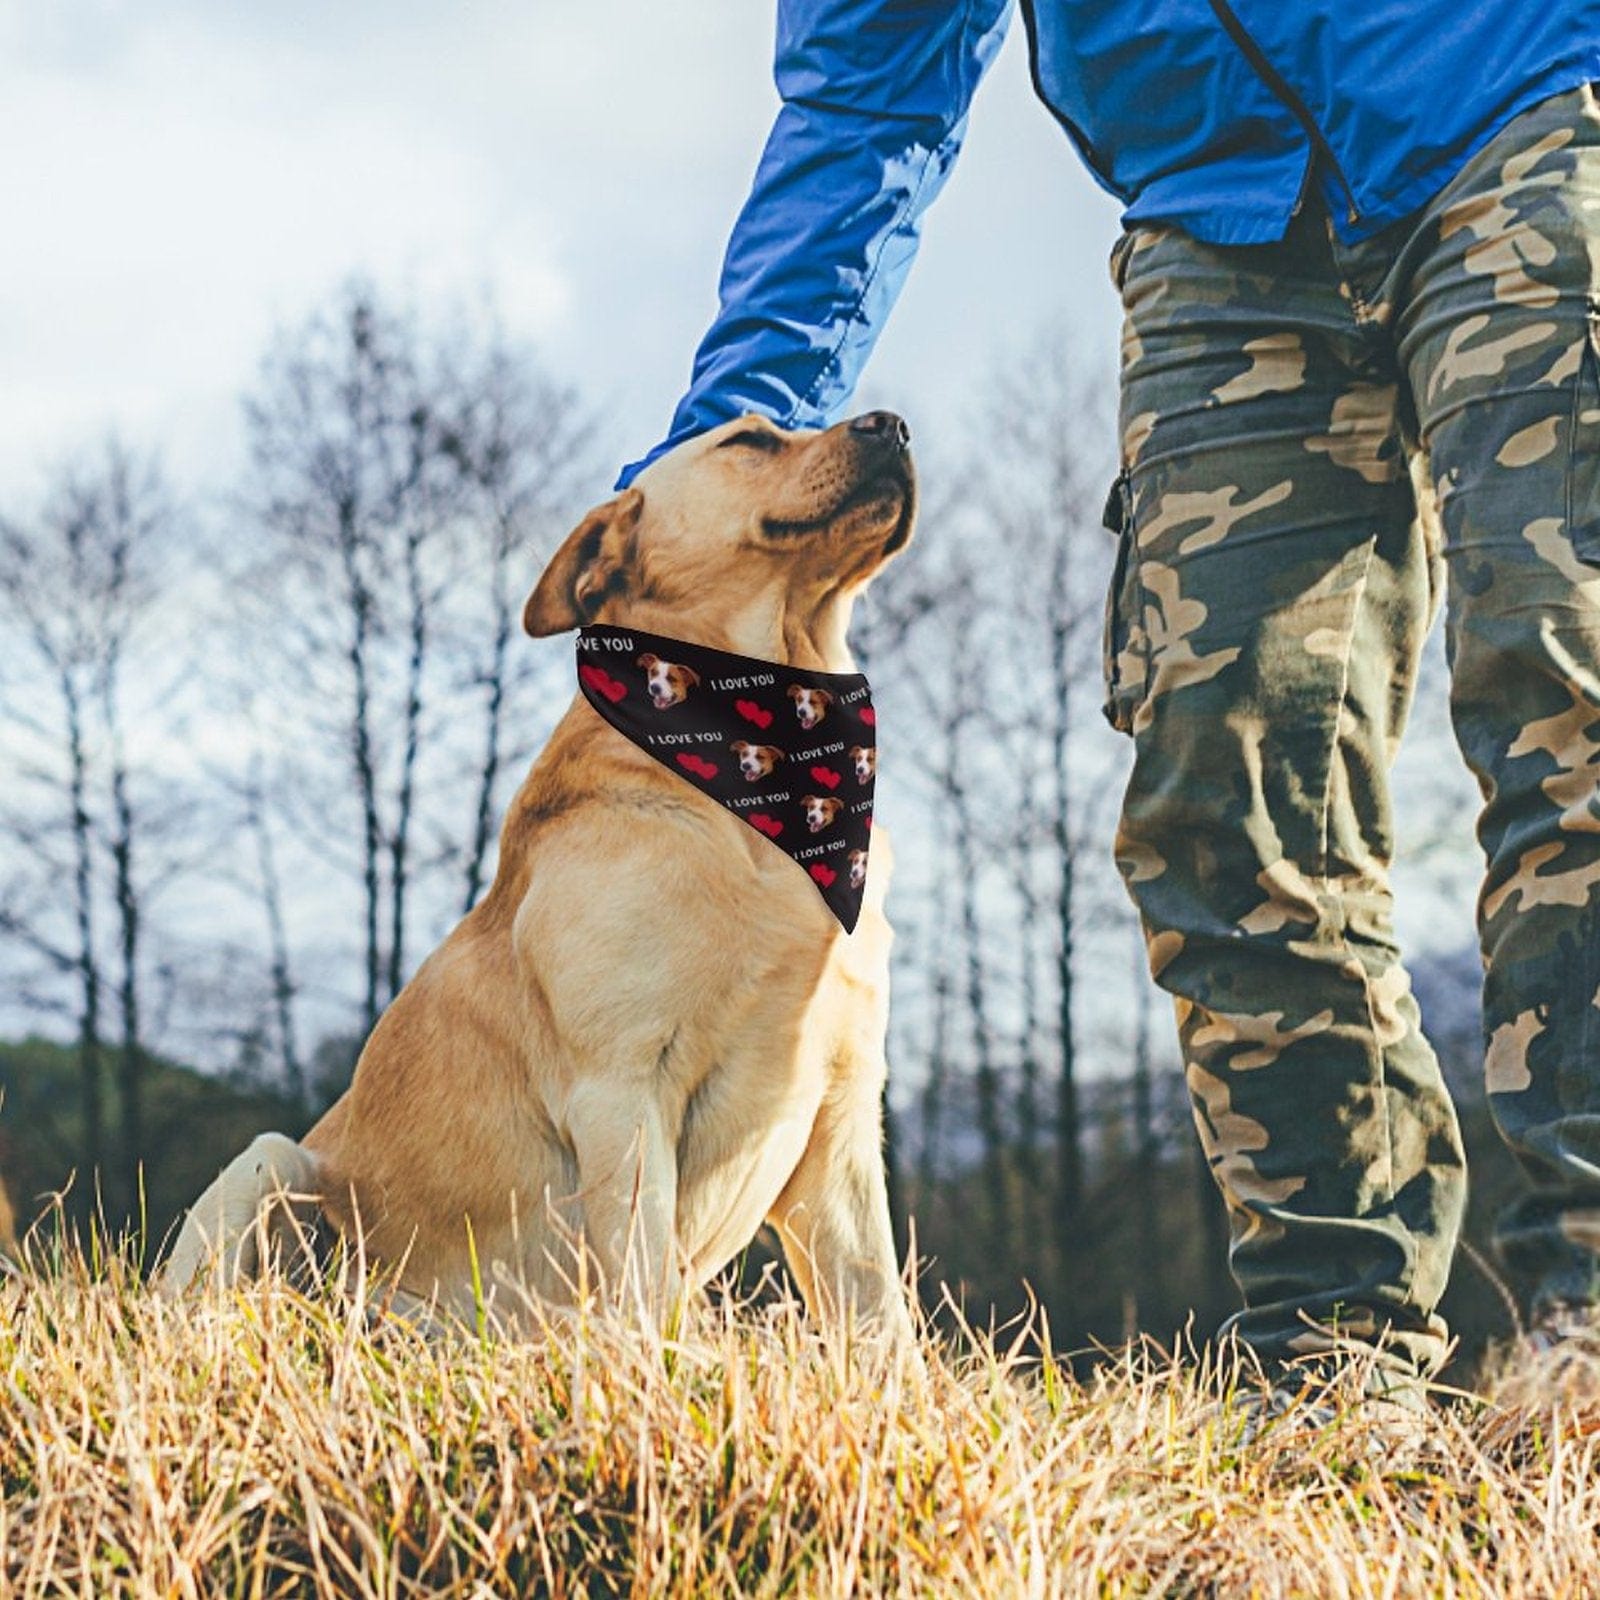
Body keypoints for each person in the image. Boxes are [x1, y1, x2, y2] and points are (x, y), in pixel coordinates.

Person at [619, 0, 1600, 1399]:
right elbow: (864, 103)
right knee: (1226, 796)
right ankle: (1336, 1363)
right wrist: (723, 456)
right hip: (1221, 220)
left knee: (1567, 691)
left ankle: (1589, 1334)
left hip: (1519, 98)